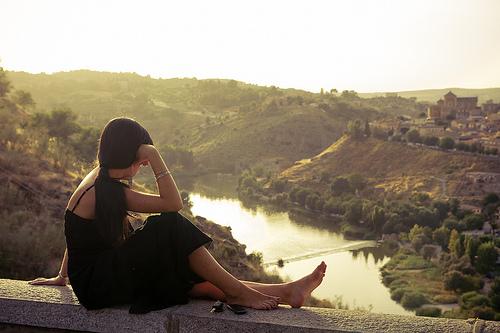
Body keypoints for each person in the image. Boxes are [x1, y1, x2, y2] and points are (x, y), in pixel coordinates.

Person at [28, 117, 327, 314]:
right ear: (130, 154)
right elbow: (173, 204)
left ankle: (288, 291)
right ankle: (238, 292)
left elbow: (80, 235)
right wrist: (156, 156)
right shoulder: (104, 189)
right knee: (170, 227)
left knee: (196, 277)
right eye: (141, 159)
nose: (143, 165)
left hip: (97, 278)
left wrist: (63, 276)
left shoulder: (102, 179)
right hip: (98, 286)